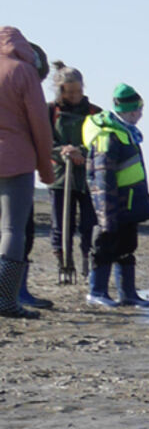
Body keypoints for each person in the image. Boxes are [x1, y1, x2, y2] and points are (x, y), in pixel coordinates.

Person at [83, 83, 149, 310]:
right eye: (138, 110)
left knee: (127, 246)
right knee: (104, 246)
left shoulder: (126, 133)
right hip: (112, 204)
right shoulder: (108, 136)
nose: (141, 114)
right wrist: (106, 214)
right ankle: (97, 292)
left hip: (130, 203)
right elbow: (103, 177)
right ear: (131, 110)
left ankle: (128, 294)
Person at [0, 27, 54, 321]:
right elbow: (40, 126)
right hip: (15, 159)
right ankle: (6, 299)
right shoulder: (24, 72)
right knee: (12, 230)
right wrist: (46, 170)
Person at [47, 65, 99, 288]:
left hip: (89, 177)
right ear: (60, 90)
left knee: (90, 223)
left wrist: (81, 152)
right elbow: (43, 141)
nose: (75, 96)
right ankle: (64, 264)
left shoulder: (95, 113)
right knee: (61, 224)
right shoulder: (49, 112)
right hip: (59, 177)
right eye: (70, 92)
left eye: (78, 91)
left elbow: (100, 143)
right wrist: (63, 151)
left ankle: (89, 261)